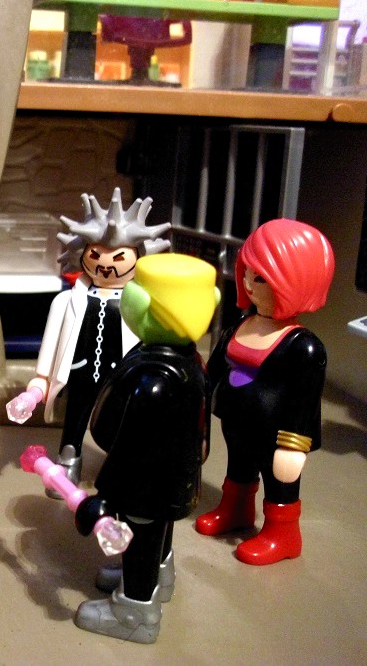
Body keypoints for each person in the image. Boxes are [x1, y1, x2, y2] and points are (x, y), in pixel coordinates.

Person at [74, 253, 219, 643]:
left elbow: (130, 446)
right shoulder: (190, 360)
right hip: (172, 477)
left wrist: (105, 496)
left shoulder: (155, 378)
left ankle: (135, 611)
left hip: (143, 482)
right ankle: (157, 575)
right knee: (157, 530)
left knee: (142, 529)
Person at [195, 219, 334, 565]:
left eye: (260, 278)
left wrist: (294, 445)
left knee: (279, 481)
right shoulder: (239, 326)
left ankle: (283, 534)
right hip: (236, 424)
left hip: (275, 435)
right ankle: (237, 508)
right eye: (246, 272)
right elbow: (214, 370)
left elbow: (304, 402)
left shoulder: (303, 347)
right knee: (239, 467)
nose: (248, 283)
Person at [22, 188, 170, 486]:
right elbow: (51, 342)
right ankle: (69, 461)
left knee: (122, 423)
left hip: (122, 379)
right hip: (80, 375)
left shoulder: (141, 305)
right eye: (95, 253)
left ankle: (120, 470)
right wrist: (41, 378)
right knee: (75, 420)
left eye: (119, 256)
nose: (106, 263)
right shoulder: (66, 301)